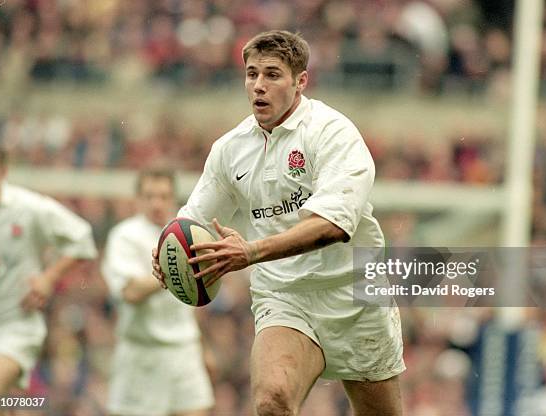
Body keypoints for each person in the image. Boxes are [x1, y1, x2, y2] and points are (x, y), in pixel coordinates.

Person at [153, 30, 405, 416]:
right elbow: (192, 220)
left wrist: (250, 251)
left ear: (300, 81)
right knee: (272, 401)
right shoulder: (230, 149)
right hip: (284, 296)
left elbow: (331, 227)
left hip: (355, 294)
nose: (258, 85)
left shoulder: (332, 133)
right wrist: (169, 253)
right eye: (251, 74)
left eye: (272, 74)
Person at [103, 168, 214, 416]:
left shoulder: (189, 233)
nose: (156, 203)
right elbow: (130, 292)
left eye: (163, 196)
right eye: (149, 196)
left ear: (174, 198)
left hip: (184, 350)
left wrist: (204, 347)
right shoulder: (124, 236)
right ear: (138, 199)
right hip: (141, 354)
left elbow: (193, 297)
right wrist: (171, 271)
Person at [0, 143, 97, 395]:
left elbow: (82, 237)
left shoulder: (28, 207)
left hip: (15, 326)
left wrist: (50, 277)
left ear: (4, 171)